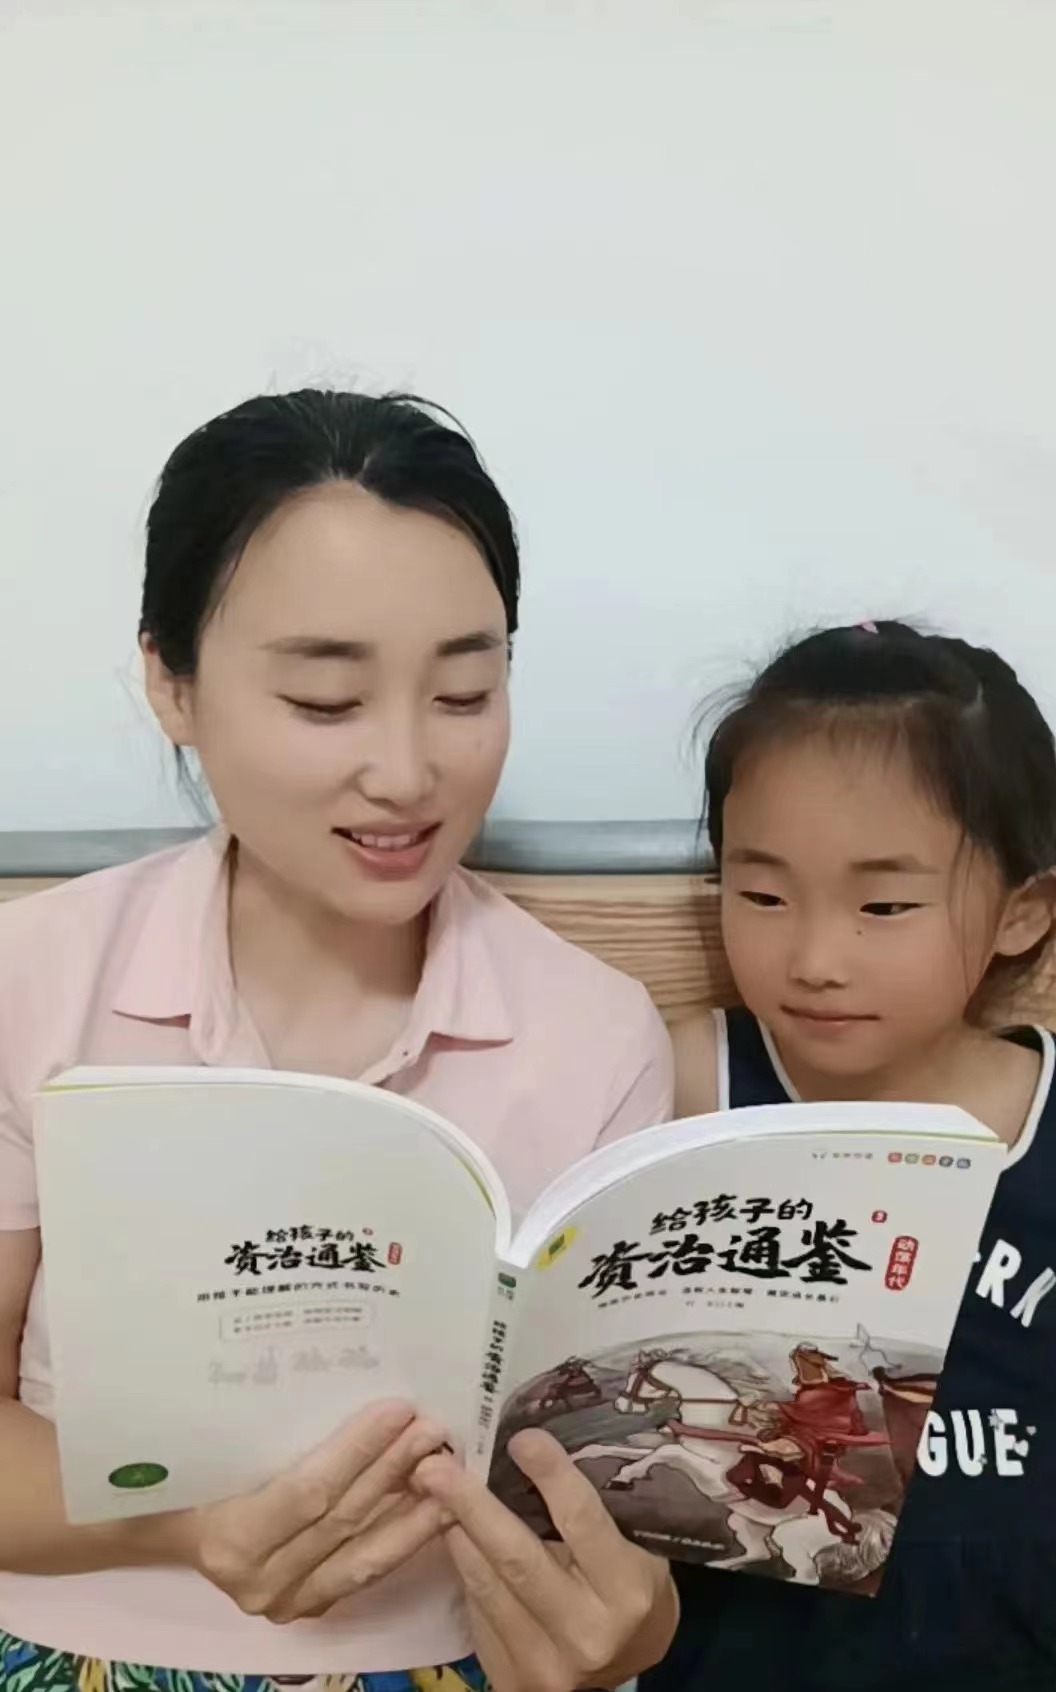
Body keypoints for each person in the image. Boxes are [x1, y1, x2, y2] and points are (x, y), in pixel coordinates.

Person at [0, 390, 678, 1692]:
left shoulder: (595, 1035)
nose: (409, 772)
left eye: (466, 690)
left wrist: (626, 1632)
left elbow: (611, 1522)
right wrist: (184, 1528)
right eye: (326, 700)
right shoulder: (33, 979)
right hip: (74, 1650)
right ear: (171, 683)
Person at [641, 620, 1056, 1692]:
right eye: (761, 894)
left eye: (883, 905)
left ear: (1025, 911)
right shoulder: (679, 1086)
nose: (814, 958)